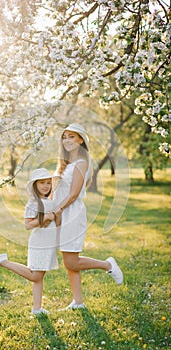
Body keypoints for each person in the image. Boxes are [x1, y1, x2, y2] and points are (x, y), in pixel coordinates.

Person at [52, 123, 123, 309]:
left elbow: (74, 194)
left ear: (81, 139)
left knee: (71, 261)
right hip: (62, 213)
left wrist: (56, 209)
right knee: (69, 262)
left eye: (71, 136)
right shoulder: (66, 164)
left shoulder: (81, 162)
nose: (67, 140)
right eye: (64, 136)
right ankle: (78, 302)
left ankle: (107, 265)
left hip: (71, 214)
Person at [0, 168, 58, 315]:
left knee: (39, 277)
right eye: (42, 182)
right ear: (35, 185)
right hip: (39, 242)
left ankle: (37, 308)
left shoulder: (48, 201)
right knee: (35, 275)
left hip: (48, 242)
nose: (46, 186)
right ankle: (3, 262)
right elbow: (27, 224)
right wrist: (46, 218)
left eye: (48, 183)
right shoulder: (33, 203)